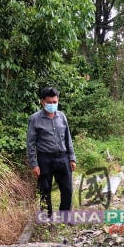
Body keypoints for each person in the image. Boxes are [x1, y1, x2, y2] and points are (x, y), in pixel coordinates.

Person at [26, 87, 77, 217]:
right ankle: (46, 217)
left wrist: (72, 158)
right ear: (43, 101)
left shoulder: (62, 117)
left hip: (63, 158)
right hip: (45, 160)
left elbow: (68, 138)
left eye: (55, 102)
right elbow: (30, 143)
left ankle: (65, 216)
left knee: (67, 189)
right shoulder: (35, 119)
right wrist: (34, 164)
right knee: (45, 189)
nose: (52, 105)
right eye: (50, 102)